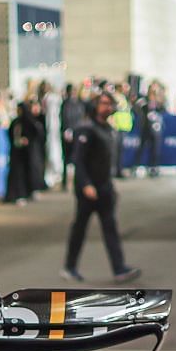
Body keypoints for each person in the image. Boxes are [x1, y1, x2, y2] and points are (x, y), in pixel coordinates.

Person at [62, 91, 138, 284]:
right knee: (79, 228)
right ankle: (70, 267)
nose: (108, 107)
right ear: (95, 106)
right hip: (88, 190)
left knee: (110, 228)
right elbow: (78, 161)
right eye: (103, 104)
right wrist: (86, 184)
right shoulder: (85, 129)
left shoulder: (108, 129)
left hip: (104, 188)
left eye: (109, 104)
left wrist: (110, 187)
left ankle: (119, 268)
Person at [59, 82, 84, 188]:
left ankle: (74, 181)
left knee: (75, 157)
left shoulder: (78, 103)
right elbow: (65, 117)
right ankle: (66, 181)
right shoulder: (66, 103)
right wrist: (67, 130)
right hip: (69, 132)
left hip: (77, 132)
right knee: (67, 157)